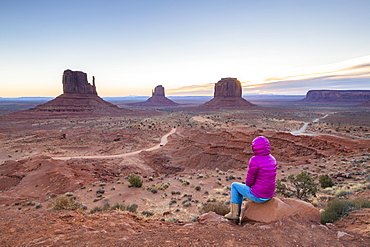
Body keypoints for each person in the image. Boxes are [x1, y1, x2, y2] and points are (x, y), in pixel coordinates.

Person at [225, 136, 277, 220]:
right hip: (269, 195)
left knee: (234, 185)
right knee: (241, 187)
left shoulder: (255, 160)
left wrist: (249, 187)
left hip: (258, 195)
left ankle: (234, 214)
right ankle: (236, 213)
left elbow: (249, 181)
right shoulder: (272, 159)